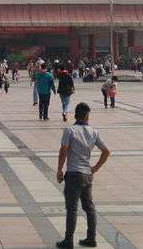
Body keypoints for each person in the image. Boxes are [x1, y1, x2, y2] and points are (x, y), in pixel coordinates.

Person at [55, 102, 110, 249]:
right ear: (87, 116)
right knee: (89, 207)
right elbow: (106, 151)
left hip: (73, 174)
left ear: (75, 114)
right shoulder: (93, 131)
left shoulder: (70, 130)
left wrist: (60, 170)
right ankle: (91, 238)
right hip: (87, 175)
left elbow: (63, 151)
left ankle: (68, 240)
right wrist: (95, 168)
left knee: (72, 209)